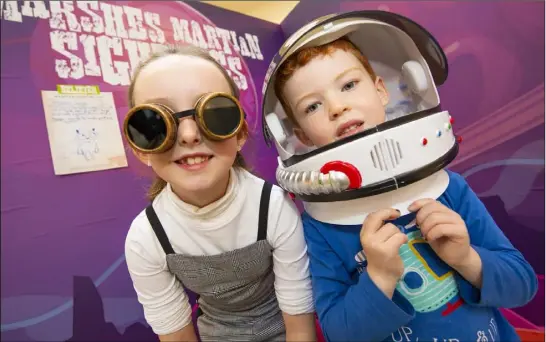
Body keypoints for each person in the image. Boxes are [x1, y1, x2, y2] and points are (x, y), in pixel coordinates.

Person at [261, 11, 538, 342]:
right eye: (312, 107)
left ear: (381, 91)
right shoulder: (320, 228)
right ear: (300, 135)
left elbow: (523, 285)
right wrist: (378, 277)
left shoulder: (450, 189)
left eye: (349, 85)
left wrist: (467, 259)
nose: (337, 107)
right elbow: (341, 334)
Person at [123, 45, 316, 342]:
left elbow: (299, 329)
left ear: (239, 133)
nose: (189, 135)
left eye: (213, 112)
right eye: (156, 122)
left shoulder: (273, 207)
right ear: (140, 149)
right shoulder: (146, 239)